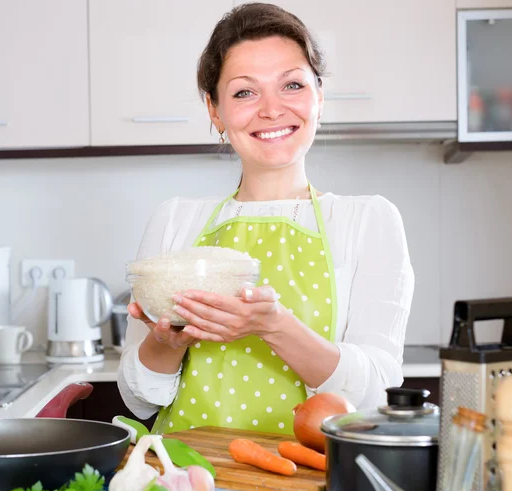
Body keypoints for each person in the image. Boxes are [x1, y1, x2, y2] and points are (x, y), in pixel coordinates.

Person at [117, 2, 415, 435]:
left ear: (320, 98)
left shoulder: (367, 220)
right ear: (215, 111)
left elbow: (376, 392)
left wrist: (274, 327)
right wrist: (164, 343)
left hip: (309, 483)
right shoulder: (175, 221)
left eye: (292, 85)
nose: (272, 110)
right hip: (185, 483)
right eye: (244, 92)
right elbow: (138, 400)